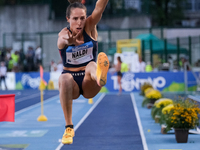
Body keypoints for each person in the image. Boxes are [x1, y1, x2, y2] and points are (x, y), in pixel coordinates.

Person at [57, 0, 109, 145]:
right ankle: (69, 128)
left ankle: (100, 76)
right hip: (71, 85)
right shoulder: (63, 34)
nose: (79, 23)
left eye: (82, 18)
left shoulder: (90, 27)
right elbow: (62, 40)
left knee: (92, 64)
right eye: (75, 19)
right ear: (68, 19)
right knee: (64, 78)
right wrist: (68, 41)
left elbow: (100, 7)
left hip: (89, 82)